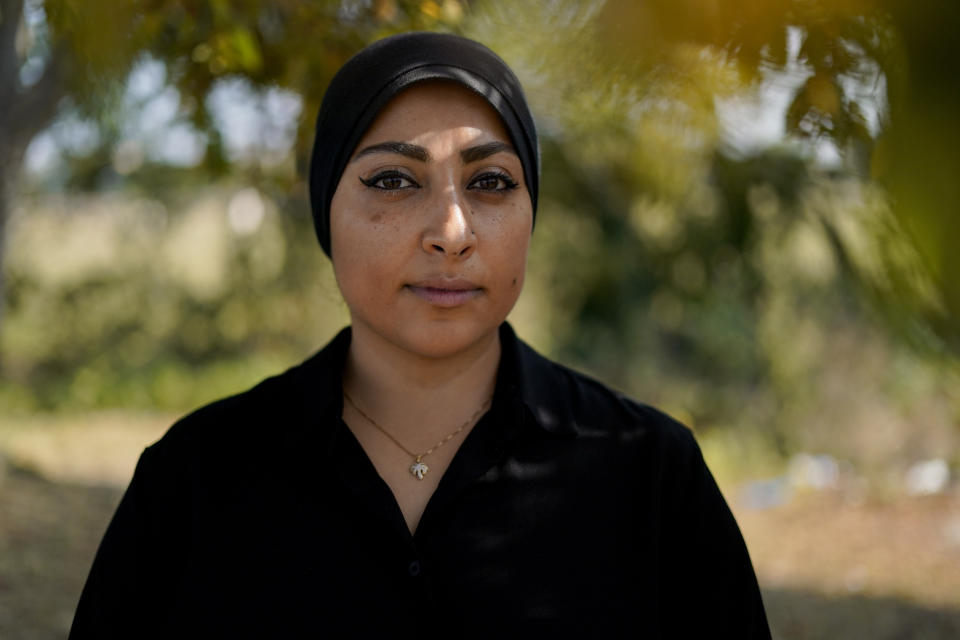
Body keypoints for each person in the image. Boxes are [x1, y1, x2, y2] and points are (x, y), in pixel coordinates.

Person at [70, 32, 771, 638]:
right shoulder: (195, 480)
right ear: (326, 212)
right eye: (394, 180)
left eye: (491, 181)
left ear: (531, 215)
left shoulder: (650, 478)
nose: (451, 233)